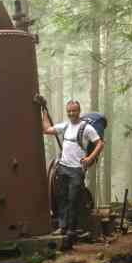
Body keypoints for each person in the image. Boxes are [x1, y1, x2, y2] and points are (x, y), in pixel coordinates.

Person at [39, 99, 104, 240]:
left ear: (79, 111)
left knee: (73, 199)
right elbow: (46, 130)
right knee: (61, 198)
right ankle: (63, 228)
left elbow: (99, 143)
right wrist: (44, 111)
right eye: (69, 111)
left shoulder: (86, 128)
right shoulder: (66, 126)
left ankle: (72, 229)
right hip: (63, 167)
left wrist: (90, 158)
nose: (71, 113)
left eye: (74, 111)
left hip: (76, 170)